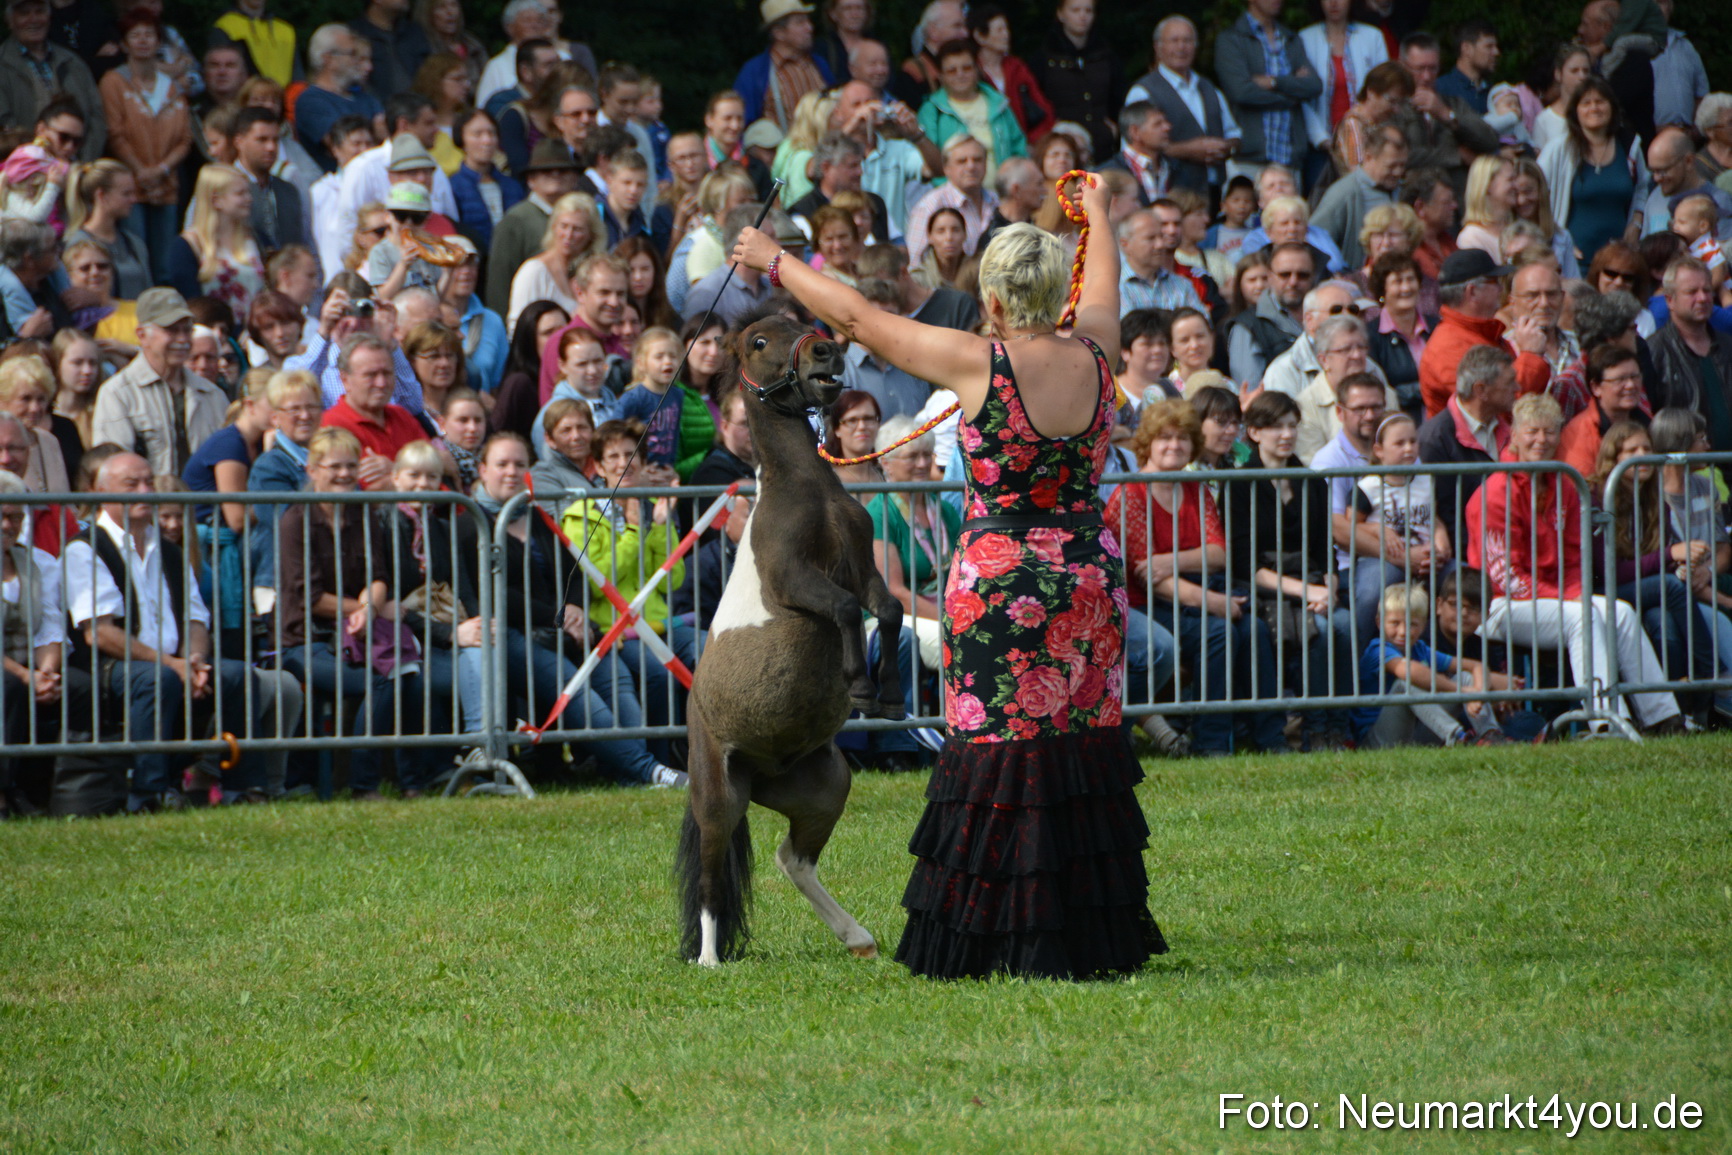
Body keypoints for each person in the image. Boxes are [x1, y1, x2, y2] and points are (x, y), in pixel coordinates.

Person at [732, 167, 1165, 976]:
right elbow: (1102, 273)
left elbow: (859, 316)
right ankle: (1086, 932)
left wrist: (774, 259)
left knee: (997, 742)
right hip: (1086, 576)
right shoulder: (1100, 349)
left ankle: (993, 930)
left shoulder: (978, 363)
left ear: (993, 301)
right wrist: (1097, 209)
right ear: (1056, 291)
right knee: (1077, 743)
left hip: (1001, 581)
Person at [63, 450, 302, 808]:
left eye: (149, 482)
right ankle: (149, 792)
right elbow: (100, 634)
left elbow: (195, 618)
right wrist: (174, 666)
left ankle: (241, 788)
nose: (146, 492)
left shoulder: (169, 550)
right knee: (159, 679)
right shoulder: (84, 550)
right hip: (110, 667)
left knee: (237, 675)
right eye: (132, 485)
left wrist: (194, 659)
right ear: (101, 492)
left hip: (173, 663)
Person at [1465, 392, 1684, 733]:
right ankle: (1605, 723)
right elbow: (1505, 576)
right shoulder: (1496, 490)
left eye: (1550, 431)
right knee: (1583, 615)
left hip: (1556, 600)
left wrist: (1575, 593)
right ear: (1516, 435)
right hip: (1499, 605)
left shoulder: (1565, 483)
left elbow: (1576, 557)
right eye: (1533, 431)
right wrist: (1569, 598)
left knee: (1621, 611)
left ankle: (1663, 718)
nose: (1542, 439)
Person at [1106, 397, 1285, 757]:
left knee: (1254, 629)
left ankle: (1269, 737)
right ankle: (1212, 742)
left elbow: (1218, 554)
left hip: (1186, 596)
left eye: (1183, 438)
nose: (1174, 445)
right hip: (1147, 606)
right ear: (1149, 444)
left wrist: (1168, 560)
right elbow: (1147, 576)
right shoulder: (1131, 494)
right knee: (1217, 631)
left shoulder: (1195, 487)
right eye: (1165, 438)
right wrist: (1214, 602)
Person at [274, 427, 444, 798]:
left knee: (410, 673)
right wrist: (366, 607)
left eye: (351, 466)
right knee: (382, 681)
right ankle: (361, 784)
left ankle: (413, 781)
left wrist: (369, 607)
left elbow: (378, 576)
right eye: (334, 466)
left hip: (362, 631)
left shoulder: (363, 512)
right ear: (312, 469)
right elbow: (310, 598)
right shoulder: (296, 521)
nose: (344, 474)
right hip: (308, 640)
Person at [1225, 388, 1356, 749]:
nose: (1286, 434)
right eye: (1275, 427)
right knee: (1317, 630)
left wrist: (1328, 590)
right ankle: (1313, 729)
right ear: (1254, 433)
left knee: (1341, 624)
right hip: (1263, 588)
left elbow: (1323, 549)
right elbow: (1244, 564)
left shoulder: (1311, 482)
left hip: (1312, 584)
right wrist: (1307, 592)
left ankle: (1335, 729)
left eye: (1292, 426)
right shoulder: (1238, 485)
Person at [90, 288, 227, 477]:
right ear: (142, 335)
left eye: (187, 330)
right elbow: (115, 471)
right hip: (148, 505)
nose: (182, 339)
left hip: (205, 505)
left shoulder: (213, 394)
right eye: (171, 330)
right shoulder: (117, 393)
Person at [1356, 582, 1510, 748]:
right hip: (1379, 740)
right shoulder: (1377, 648)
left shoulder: (1420, 649)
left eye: (1412, 624)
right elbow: (1409, 671)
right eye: (1395, 623)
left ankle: (1491, 735)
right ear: (1379, 623)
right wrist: (1462, 691)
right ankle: (1457, 738)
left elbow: (1476, 667)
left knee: (1465, 677)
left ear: (1423, 625)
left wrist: (1477, 695)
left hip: (1416, 734)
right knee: (1404, 685)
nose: (1403, 632)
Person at [98, 9, 191, 280]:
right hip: (131, 184)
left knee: (164, 264)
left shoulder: (172, 87)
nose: (143, 40)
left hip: (166, 184)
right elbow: (114, 133)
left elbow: (185, 138)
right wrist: (139, 169)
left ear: (158, 41)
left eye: (149, 34)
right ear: (124, 43)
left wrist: (161, 169)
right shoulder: (113, 82)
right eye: (135, 35)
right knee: (135, 259)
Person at [1418, 249, 1550, 418]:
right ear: (1472, 291)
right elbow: (1500, 408)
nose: (1501, 288)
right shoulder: (1447, 347)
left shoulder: (1482, 333)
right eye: (1494, 282)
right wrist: (1531, 356)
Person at [1537, 77, 1650, 267]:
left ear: (1612, 106)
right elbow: (1536, 192)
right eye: (1586, 103)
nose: (1594, 108)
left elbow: (1643, 187)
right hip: (1574, 261)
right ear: (1575, 111)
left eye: (1600, 102)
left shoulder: (1630, 145)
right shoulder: (1559, 149)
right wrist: (1559, 242)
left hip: (1619, 262)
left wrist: (1636, 222)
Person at [1124, 16, 1240, 197]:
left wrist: (1222, 147)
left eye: (1187, 41)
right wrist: (1188, 150)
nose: (1181, 47)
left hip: (1216, 190)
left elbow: (1234, 135)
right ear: (1158, 47)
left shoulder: (1210, 88)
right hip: (1171, 193)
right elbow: (1134, 148)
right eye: (1174, 41)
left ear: (1196, 46)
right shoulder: (1143, 91)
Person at [1213, 0, 1321, 177]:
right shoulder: (1231, 39)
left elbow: (1314, 85)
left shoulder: (1290, 38)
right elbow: (1241, 92)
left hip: (1290, 160)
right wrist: (1292, 95)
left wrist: (1274, 83)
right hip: (1249, 162)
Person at [1647, 257, 1732, 466]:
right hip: (1687, 473)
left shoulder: (1728, 346)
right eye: (1692, 292)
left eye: (1707, 290)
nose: (1703, 298)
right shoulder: (1653, 352)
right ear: (1669, 300)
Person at [0, 0, 105, 160]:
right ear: (10, 21)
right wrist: (35, 163)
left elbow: (96, 117)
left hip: (77, 169)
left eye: (39, 12)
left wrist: (82, 164)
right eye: (24, 13)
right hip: (24, 172)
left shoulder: (73, 62)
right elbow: (5, 125)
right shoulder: (3, 64)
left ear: (49, 16)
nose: (33, 19)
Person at [916, 38, 1027, 181]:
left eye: (966, 68)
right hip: (952, 199)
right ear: (940, 76)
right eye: (951, 70)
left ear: (977, 69)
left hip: (1003, 196)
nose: (960, 74)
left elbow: (1019, 151)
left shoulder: (1000, 104)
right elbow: (927, 162)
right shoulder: (930, 111)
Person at [1298, 0, 1390, 170]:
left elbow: (1385, 92)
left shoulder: (1372, 37)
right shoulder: (1305, 39)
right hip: (1320, 149)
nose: (1333, 3)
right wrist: (1323, 140)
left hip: (1367, 145)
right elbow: (1301, 96)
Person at [1029, 0, 1123, 161]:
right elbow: (1034, 104)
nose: (1083, 16)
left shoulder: (1107, 55)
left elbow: (1119, 96)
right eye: (1075, 10)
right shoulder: (1043, 58)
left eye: (1088, 11)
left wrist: (1115, 129)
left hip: (1103, 147)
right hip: (1062, 151)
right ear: (1060, 14)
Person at [1311, 124, 1407, 267]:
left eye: (1402, 165)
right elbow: (1315, 239)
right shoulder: (1344, 193)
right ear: (1368, 158)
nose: (1398, 172)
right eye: (1391, 166)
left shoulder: (1401, 189)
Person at [507, 190, 602, 335]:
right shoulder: (533, 271)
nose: (568, 235)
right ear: (553, 227)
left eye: (577, 229)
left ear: (591, 235)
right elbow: (516, 329)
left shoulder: (592, 273)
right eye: (563, 226)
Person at [734, 0, 833, 130]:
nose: (809, 28)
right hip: (780, 149)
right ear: (778, 33)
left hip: (826, 148)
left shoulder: (819, 64)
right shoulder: (755, 72)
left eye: (808, 21)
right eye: (800, 22)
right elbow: (744, 126)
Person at [967, 3, 1052, 138]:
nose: (1006, 35)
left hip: (1024, 144)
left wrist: (1034, 142)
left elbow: (1042, 107)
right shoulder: (969, 71)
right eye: (1000, 30)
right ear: (979, 36)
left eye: (1006, 29)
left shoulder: (1017, 67)